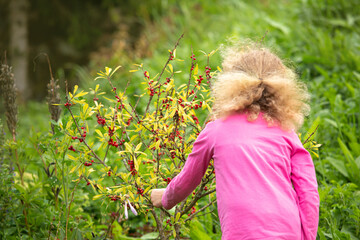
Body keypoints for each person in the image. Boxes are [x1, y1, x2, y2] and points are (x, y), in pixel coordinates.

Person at [151, 43, 320, 240]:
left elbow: (189, 178)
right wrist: (307, 236)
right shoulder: (286, 133)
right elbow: (308, 192)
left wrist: (165, 198)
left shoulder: (215, 130)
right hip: (287, 231)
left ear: (231, 83)